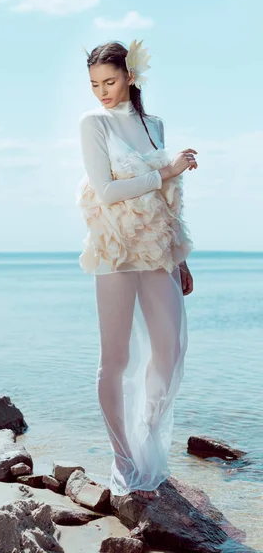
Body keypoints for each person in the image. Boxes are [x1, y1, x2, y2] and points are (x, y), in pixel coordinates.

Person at [76, 39, 198, 501]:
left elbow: (167, 203)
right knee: (117, 357)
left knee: (170, 350)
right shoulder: (94, 123)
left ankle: (146, 437)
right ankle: (123, 456)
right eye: (94, 85)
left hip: (159, 251)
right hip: (114, 250)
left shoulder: (154, 125)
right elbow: (106, 190)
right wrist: (167, 172)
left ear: (130, 77)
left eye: (109, 82)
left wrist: (181, 257)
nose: (102, 92)